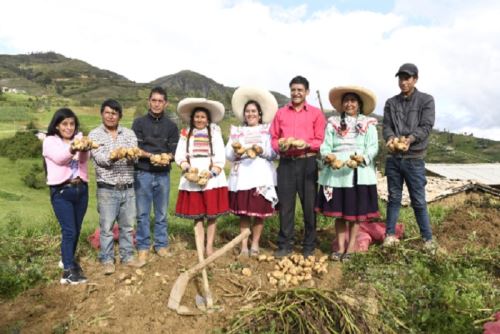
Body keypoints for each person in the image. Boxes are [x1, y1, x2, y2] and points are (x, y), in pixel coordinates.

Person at [316, 86, 380, 261]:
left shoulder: (368, 124)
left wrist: (362, 158)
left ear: (359, 104)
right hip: (336, 172)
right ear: (342, 104)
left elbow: (373, 146)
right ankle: (340, 246)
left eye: (353, 101)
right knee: (340, 213)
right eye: (346, 101)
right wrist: (327, 156)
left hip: (358, 172)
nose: (349, 104)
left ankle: (350, 248)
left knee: (354, 214)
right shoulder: (333, 123)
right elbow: (325, 145)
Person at [270, 75, 326, 257]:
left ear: (307, 92)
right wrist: (281, 145)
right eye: (293, 90)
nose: (296, 93)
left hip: (307, 162)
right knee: (286, 205)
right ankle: (285, 244)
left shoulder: (316, 114)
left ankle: (309, 245)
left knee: (309, 205)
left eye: (300, 90)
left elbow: (320, 140)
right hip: (286, 162)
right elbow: (273, 138)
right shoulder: (281, 113)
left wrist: (307, 144)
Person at [382, 63, 436, 249]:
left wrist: (409, 140)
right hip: (394, 159)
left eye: (407, 78)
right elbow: (387, 126)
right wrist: (390, 139)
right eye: (401, 78)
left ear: (415, 79)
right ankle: (389, 236)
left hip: (414, 158)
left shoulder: (426, 100)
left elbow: (426, 126)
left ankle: (427, 240)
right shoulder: (391, 102)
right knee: (393, 198)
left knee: (418, 200)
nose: (403, 82)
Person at [89, 99, 143, 275]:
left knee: (127, 226)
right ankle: (107, 260)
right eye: (107, 112)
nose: (110, 116)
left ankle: (127, 257)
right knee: (106, 228)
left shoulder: (129, 134)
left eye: (114, 113)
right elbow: (100, 159)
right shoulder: (94, 135)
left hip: (127, 186)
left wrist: (129, 155)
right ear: (102, 114)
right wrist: (115, 155)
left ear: (119, 115)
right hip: (107, 188)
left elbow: (135, 157)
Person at [225, 86, 278, 256]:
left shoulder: (267, 131)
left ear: (260, 114)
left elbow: (273, 153)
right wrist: (236, 151)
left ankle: (255, 245)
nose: (251, 114)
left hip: (261, 177)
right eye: (247, 111)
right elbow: (228, 154)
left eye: (254, 111)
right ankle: (244, 247)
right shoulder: (237, 132)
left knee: (259, 214)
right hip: (242, 178)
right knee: (244, 215)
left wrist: (262, 151)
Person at [174, 98, 229, 257]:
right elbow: (180, 155)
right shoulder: (186, 133)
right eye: (197, 117)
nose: (199, 119)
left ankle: (209, 246)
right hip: (192, 176)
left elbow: (220, 155)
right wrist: (187, 169)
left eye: (202, 117)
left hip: (212, 177)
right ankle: (199, 246)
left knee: (211, 215)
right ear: (192, 118)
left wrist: (212, 172)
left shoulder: (215, 133)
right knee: (197, 215)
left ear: (208, 119)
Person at [132, 87, 179, 264]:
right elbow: (136, 149)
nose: (157, 104)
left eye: (160, 101)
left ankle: (161, 245)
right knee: (143, 213)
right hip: (143, 172)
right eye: (154, 100)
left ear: (165, 103)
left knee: (161, 213)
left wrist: (168, 158)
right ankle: (143, 247)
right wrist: (152, 156)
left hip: (163, 175)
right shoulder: (139, 123)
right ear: (149, 102)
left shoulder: (172, 127)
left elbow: (175, 151)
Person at [43, 108, 89, 284]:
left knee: (76, 228)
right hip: (62, 191)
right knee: (69, 230)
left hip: (80, 189)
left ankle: (66, 259)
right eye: (65, 124)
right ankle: (68, 272)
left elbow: (84, 159)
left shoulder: (79, 138)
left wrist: (84, 148)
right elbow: (61, 158)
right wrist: (74, 147)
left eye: (72, 124)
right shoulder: (50, 142)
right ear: (57, 125)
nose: (69, 127)